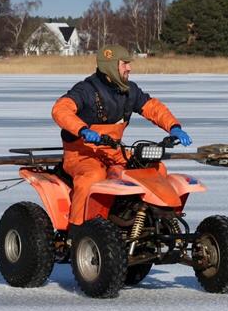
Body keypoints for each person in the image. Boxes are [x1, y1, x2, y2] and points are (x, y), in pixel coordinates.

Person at [51, 44, 192, 227]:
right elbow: (61, 109)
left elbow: (153, 108)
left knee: (156, 170)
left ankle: (153, 223)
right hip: (81, 153)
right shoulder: (85, 90)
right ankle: (77, 230)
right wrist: (82, 130)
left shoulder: (129, 90)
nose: (129, 68)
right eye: (124, 64)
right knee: (92, 177)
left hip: (114, 151)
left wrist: (174, 127)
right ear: (110, 66)